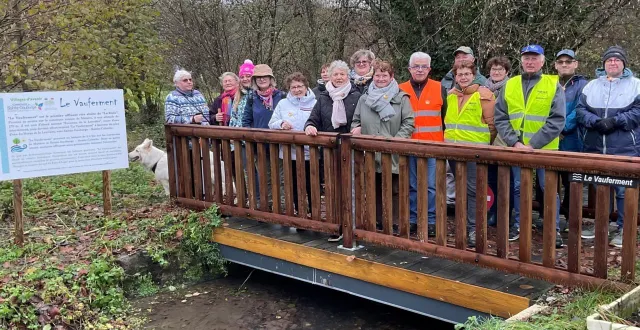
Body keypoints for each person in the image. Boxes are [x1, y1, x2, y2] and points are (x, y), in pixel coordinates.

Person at [494, 44, 566, 248]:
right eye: (526, 58)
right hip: (517, 148)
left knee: (549, 189)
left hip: (546, 149)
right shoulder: (510, 84)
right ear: (521, 61)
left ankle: (553, 230)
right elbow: (501, 117)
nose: (530, 61)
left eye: (534, 58)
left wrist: (532, 144)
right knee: (518, 188)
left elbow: (557, 120)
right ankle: (520, 226)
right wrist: (514, 142)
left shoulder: (553, 84)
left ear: (542, 61)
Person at [576, 46, 640, 247]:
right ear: (604, 64)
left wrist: (615, 121)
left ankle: (624, 228)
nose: (613, 62)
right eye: (609, 60)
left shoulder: (636, 85)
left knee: (624, 191)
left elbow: (638, 111)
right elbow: (580, 110)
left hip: (624, 148)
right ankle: (600, 226)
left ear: (624, 63)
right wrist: (595, 121)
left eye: (617, 60)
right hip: (595, 146)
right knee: (601, 188)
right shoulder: (591, 85)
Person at [351, 60, 415, 232]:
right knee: (374, 187)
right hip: (370, 151)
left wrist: (396, 141)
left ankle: (395, 223)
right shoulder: (364, 99)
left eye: (384, 75)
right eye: (377, 75)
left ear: (391, 77)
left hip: (394, 152)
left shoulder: (401, 98)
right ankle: (377, 220)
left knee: (395, 189)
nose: (380, 79)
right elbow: (356, 120)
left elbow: (409, 123)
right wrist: (356, 130)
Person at [305, 60, 362, 241]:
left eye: (342, 74)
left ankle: (353, 226)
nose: (338, 77)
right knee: (332, 190)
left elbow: (363, 119)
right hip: (330, 153)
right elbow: (312, 120)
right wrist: (309, 127)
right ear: (330, 76)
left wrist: (360, 127)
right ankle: (335, 226)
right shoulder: (323, 97)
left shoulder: (357, 95)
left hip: (352, 151)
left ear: (348, 76)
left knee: (352, 189)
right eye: (335, 74)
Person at [444, 60, 496, 247]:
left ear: (474, 75)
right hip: (453, 151)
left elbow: (492, 125)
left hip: (475, 152)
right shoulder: (450, 95)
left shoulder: (484, 95)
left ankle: (474, 229)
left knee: (475, 191)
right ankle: (462, 225)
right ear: (455, 77)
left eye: (466, 74)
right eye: (460, 74)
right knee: (460, 189)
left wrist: (482, 145)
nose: (463, 77)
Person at [398, 52, 446, 236]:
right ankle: (412, 219)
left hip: (433, 147)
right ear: (409, 69)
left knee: (431, 186)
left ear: (429, 69)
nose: (420, 70)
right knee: (411, 185)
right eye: (416, 66)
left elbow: (445, 118)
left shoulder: (439, 88)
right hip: (409, 146)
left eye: (423, 66)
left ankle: (431, 220)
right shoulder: (400, 89)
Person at [269, 72, 317, 216]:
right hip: (290, 153)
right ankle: (299, 210)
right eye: (293, 87)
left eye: (299, 86)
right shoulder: (283, 104)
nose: (297, 90)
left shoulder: (315, 102)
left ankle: (313, 212)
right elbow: (271, 123)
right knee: (294, 183)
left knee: (311, 183)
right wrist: (281, 123)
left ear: (306, 86)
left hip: (312, 151)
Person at [242, 64, 286, 209]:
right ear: (255, 80)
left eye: (265, 77)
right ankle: (268, 207)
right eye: (258, 77)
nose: (262, 80)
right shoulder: (251, 99)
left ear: (271, 78)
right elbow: (246, 121)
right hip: (259, 146)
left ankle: (283, 207)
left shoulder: (281, 96)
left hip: (279, 145)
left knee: (282, 178)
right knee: (265, 178)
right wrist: (252, 136)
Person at [554, 49, 588, 221]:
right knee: (550, 180)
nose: (564, 65)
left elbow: (580, 109)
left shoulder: (583, 85)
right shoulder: (550, 83)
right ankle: (550, 218)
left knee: (572, 181)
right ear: (555, 65)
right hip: (551, 140)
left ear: (575, 64)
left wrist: (560, 127)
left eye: (568, 61)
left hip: (572, 138)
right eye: (561, 62)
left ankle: (571, 218)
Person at [485, 56, 513, 226]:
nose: (496, 72)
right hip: (487, 139)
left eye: (500, 70)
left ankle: (505, 213)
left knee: (505, 180)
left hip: (503, 139)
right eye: (494, 69)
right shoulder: (482, 89)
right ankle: (493, 211)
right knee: (492, 179)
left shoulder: (511, 88)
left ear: (507, 72)